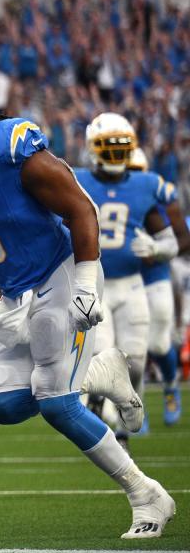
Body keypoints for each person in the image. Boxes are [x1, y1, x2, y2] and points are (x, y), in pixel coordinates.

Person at [0, 50, 174, 539]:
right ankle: (97, 372)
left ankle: (146, 492)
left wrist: (87, 283)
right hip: (14, 291)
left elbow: (81, 209)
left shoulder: (9, 144)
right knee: (1, 407)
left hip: (59, 271)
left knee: (55, 400)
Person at [74, 115, 177, 438]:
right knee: (104, 357)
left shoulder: (144, 184)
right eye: (109, 147)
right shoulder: (76, 180)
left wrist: (157, 249)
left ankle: (132, 414)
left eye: (122, 148)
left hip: (133, 284)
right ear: (93, 149)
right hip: (97, 283)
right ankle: (107, 424)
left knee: (135, 359)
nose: (117, 156)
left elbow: (174, 240)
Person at [133, 147, 190, 427]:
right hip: (124, 276)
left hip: (154, 275)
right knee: (128, 348)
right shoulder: (105, 193)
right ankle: (133, 406)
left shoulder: (160, 199)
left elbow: (183, 240)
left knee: (157, 342)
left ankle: (170, 385)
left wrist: (158, 249)